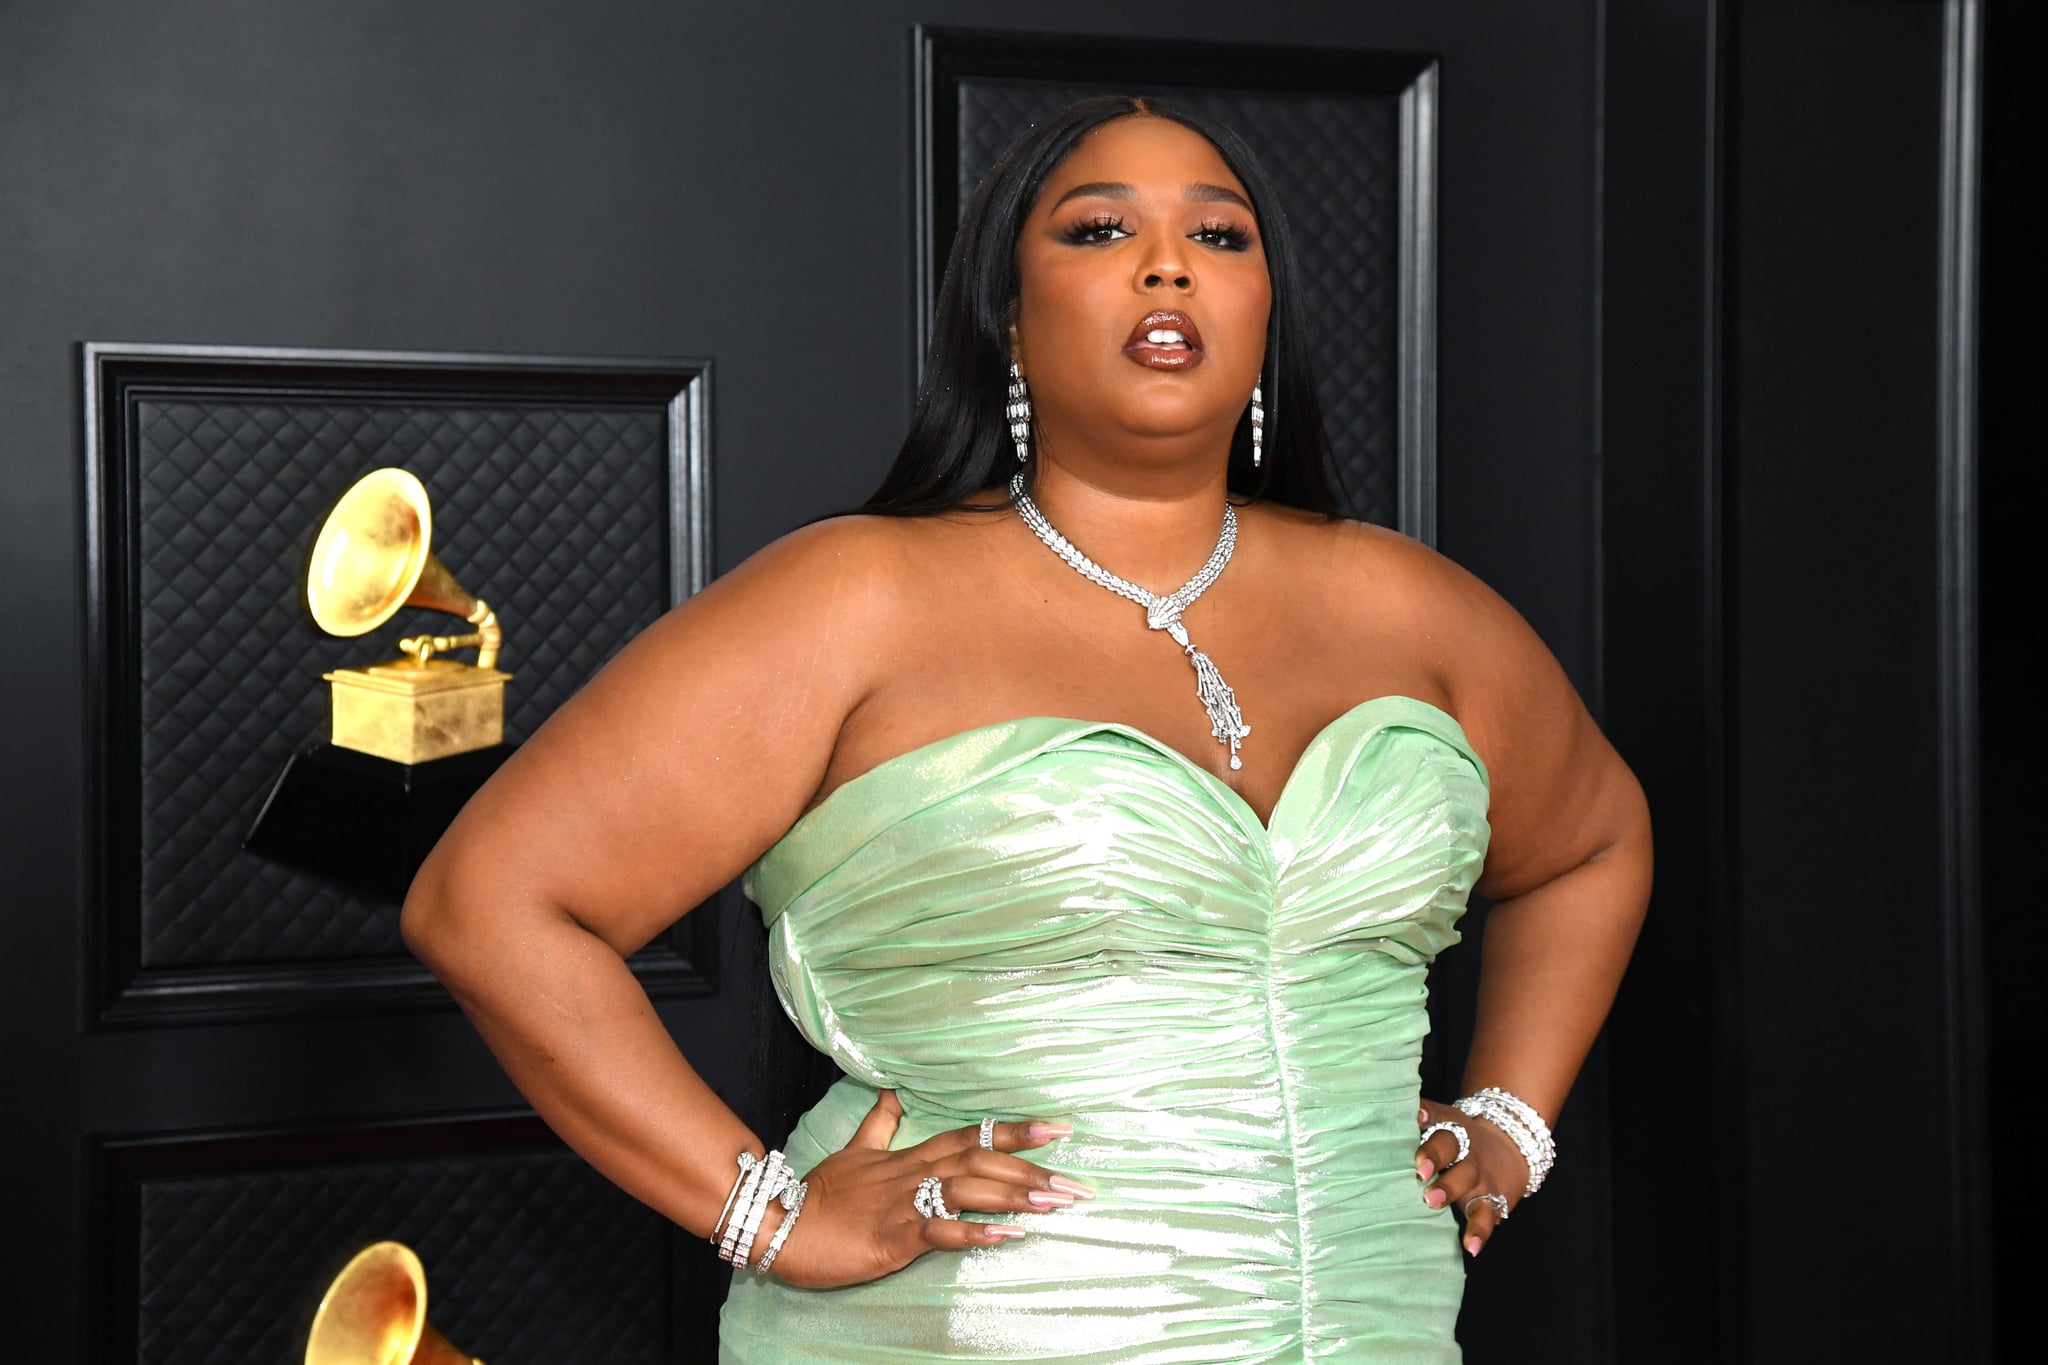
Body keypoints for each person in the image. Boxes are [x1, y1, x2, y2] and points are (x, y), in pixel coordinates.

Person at [402, 95, 1651, 1363]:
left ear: (1266, 314)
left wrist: (1508, 1119)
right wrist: (766, 1214)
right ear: (1005, 313)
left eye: (1219, 238)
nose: (1168, 264)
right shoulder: (854, 599)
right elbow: (490, 902)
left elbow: (1590, 843)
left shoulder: (1411, 606)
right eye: (1100, 229)